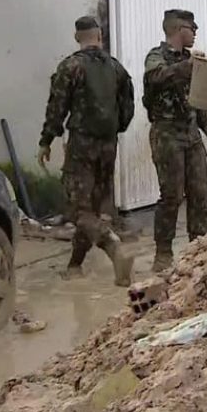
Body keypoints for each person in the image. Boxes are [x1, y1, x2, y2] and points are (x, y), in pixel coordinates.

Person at [38, 16, 135, 284]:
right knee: (93, 208)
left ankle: (114, 247)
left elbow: (56, 107)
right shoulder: (117, 69)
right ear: (99, 35)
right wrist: (115, 130)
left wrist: (47, 139)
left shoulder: (70, 66)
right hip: (108, 145)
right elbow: (128, 108)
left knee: (78, 210)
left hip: (82, 145)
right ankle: (74, 266)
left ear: (76, 36)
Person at [143, 9, 207, 272]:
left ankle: (197, 248)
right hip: (167, 134)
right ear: (180, 29)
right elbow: (155, 78)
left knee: (200, 194)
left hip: (191, 135)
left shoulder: (192, 61)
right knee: (170, 196)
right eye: (192, 29)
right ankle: (163, 252)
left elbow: (198, 100)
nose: (195, 34)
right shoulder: (157, 57)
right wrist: (187, 67)